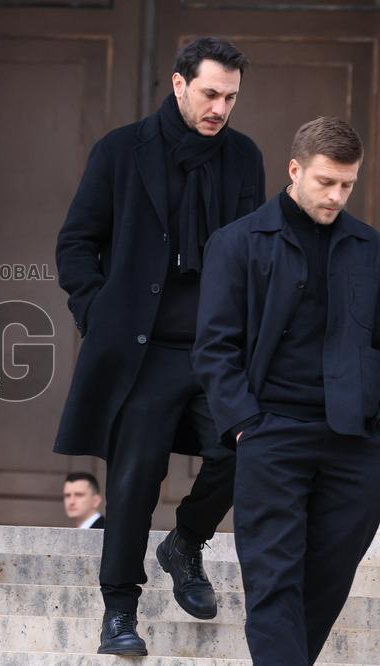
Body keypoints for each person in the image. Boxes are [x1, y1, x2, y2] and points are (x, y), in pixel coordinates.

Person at [54, 37, 266, 655]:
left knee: (247, 448)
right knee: (134, 481)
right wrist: (97, 315)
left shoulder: (244, 157)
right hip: (141, 353)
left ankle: (186, 542)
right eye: (209, 93)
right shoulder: (121, 150)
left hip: (215, 352)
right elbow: (75, 243)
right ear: (178, 85)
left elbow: (254, 253)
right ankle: (119, 612)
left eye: (230, 97)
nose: (220, 107)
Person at [194, 117, 379, 665]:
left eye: (347, 184)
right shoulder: (236, 243)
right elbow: (214, 347)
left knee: (327, 581)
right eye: (326, 182)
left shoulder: (371, 248)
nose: (336, 195)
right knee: (273, 583)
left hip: (355, 442)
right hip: (270, 434)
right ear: (294, 169)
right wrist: (245, 424)